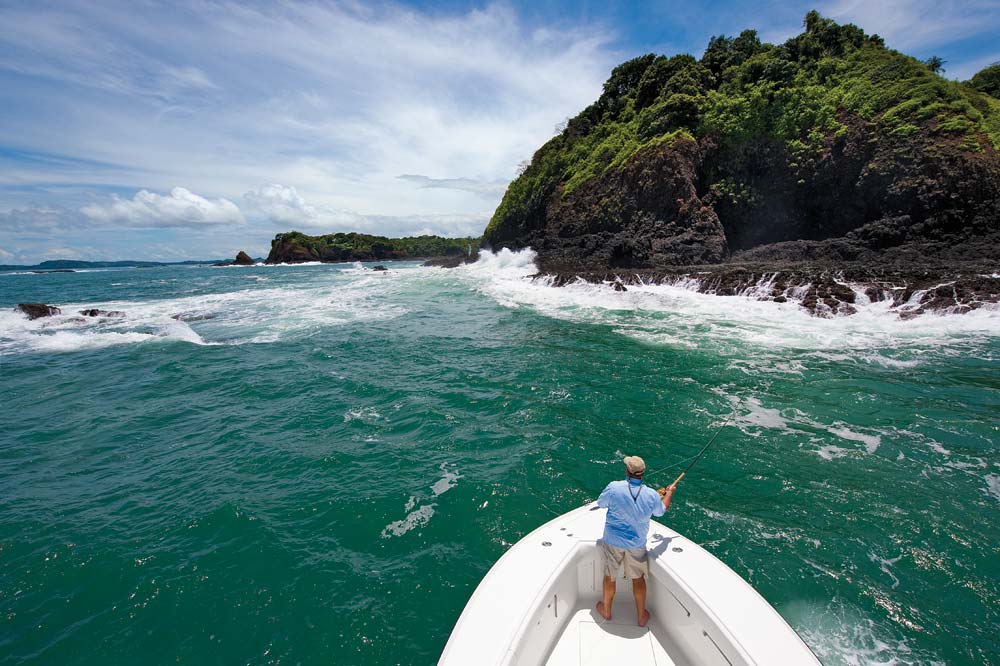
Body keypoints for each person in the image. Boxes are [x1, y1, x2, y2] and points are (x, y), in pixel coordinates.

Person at [595, 455, 676, 627]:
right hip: (636, 544)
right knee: (638, 579)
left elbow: (601, 503)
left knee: (610, 576)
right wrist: (668, 493)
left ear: (627, 471)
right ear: (642, 473)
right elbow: (662, 510)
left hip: (612, 541)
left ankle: (606, 610)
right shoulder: (652, 495)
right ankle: (641, 616)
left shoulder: (614, 487)